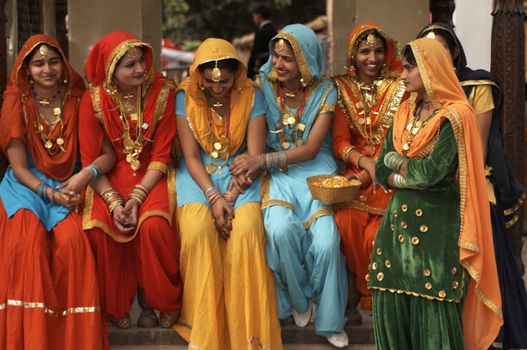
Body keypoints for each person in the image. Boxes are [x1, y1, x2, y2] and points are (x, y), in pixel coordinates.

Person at [369, 37, 502, 350]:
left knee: (434, 305)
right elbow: (379, 168)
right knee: (391, 299)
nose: (402, 76)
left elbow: (428, 174)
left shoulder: (455, 117)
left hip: (436, 231)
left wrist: (396, 164)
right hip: (396, 227)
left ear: (430, 70)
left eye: (409, 69)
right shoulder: (404, 111)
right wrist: (399, 166)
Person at [418, 23, 527, 349]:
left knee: (486, 248)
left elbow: (475, 153)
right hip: (428, 183)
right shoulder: (419, 93)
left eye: (441, 50)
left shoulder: (476, 85)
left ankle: (491, 334)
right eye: (427, 53)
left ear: (453, 51)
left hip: (471, 182)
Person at [173, 37, 282, 350]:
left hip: (241, 173)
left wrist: (231, 197)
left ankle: (248, 335)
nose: (217, 88)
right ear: (198, 76)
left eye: (225, 81)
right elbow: (191, 157)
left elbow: (255, 152)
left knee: (247, 231)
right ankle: (203, 329)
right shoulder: (185, 96)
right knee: (197, 232)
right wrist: (214, 197)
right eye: (209, 82)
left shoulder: (252, 95)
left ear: (237, 72)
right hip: (198, 175)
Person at [0, 34, 108, 349]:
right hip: (26, 186)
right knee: (28, 246)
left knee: (74, 246)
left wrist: (83, 178)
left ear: (63, 63)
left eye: (53, 61)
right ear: (26, 70)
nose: (47, 68)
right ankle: (31, 341)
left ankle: (74, 341)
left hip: (68, 183)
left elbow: (107, 154)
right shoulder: (15, 101)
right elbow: (18, 168)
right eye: (38, 63)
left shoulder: (79, 100)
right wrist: (51, 194)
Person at [252, 24, 349, 348]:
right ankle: (299, 298)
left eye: (287, 60)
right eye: (276, 56)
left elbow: (309, 150)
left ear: (306, 61)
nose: (278, 64)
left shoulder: (326, 91)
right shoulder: (263, 85)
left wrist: (262, 161)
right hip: (279, 178)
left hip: (315, 173)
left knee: (325, 242)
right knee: (279, 231)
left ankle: (330, 317)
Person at [79, 30, 182, 329]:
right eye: (130, 65)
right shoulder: (94, 99)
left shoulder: (163, 91)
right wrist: (113, 203)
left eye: (141, 61)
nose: (140, 69)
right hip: (108, 177)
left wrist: (136, 198)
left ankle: (160, 301)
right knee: (100, 229)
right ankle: (117, 305)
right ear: (112, 70)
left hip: (153, 174)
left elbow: (162, 155)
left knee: (153, 227)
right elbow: (90, 160)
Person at [331, 23, 404, 319]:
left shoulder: (399, 86)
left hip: (389, 175)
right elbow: (339, 142)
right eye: (364, 51)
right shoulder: (339, 88)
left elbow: (400, 139)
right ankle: (363, 292)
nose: (372, 58)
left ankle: (376, 296)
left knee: (378, 232)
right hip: (356, 174)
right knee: (345, 220)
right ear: (352, 55)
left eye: (377, 51)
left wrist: (377, 169)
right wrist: (364, 166)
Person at [247, 3, 277, 80]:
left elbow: (255, 52)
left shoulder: (261, 31)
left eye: (254, 16)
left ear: (259, 16)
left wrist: (249, 74)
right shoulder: (274, 30)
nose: (253, 19)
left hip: (263, 69)